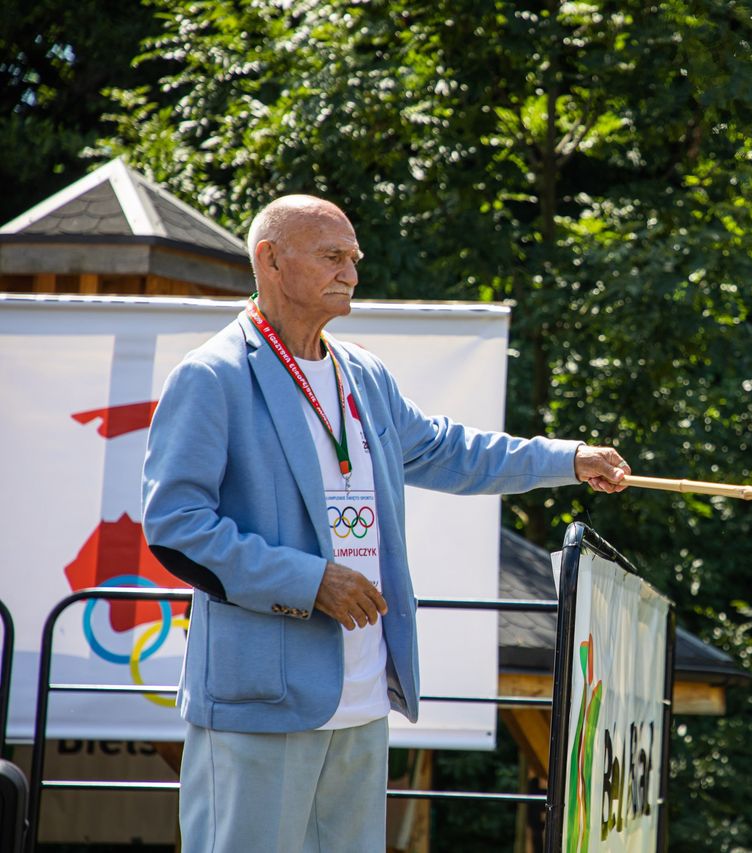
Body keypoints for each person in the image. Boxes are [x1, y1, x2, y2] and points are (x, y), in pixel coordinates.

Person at [141, 194, 630, 852]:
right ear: (271, 260)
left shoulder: (362, 374)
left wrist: (568, 459)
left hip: (363, 697)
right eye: (332, 256)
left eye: (354, 259)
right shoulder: (213, 375)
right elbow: (177, 526)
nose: (350, 273)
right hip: (261, 700)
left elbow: (455, 451)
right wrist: (309, 580)